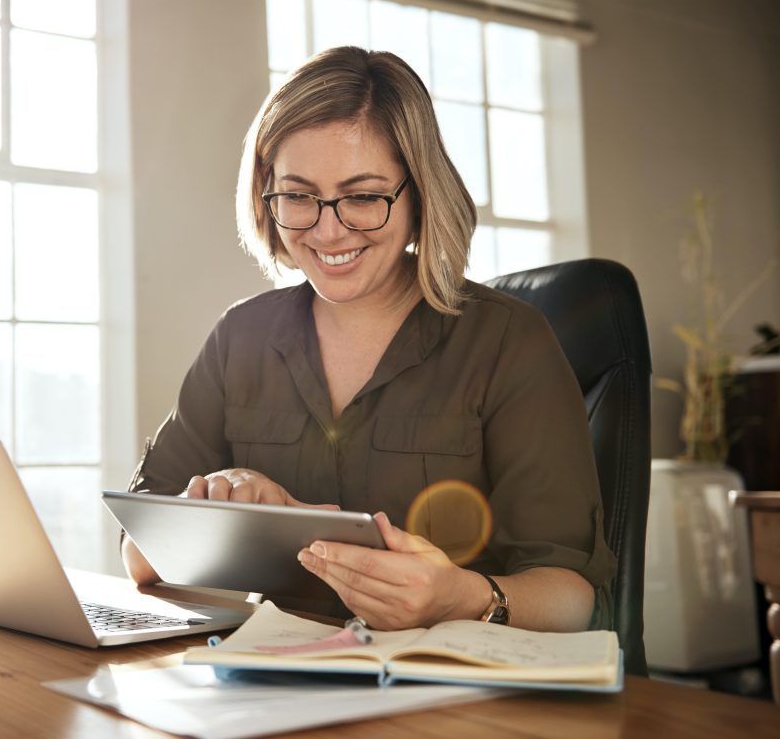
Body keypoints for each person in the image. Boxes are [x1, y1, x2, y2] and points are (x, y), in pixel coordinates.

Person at [121, 46, 616, 633]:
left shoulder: (510, 342)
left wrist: (462, 597)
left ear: (420, 194)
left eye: (362, 196)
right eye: (299, 196)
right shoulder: (240, 337)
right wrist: (223, 506)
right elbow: (140, 557)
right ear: (266, 194)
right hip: (273, 683)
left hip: (449, 698)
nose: (329, 231)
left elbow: (574, 600)